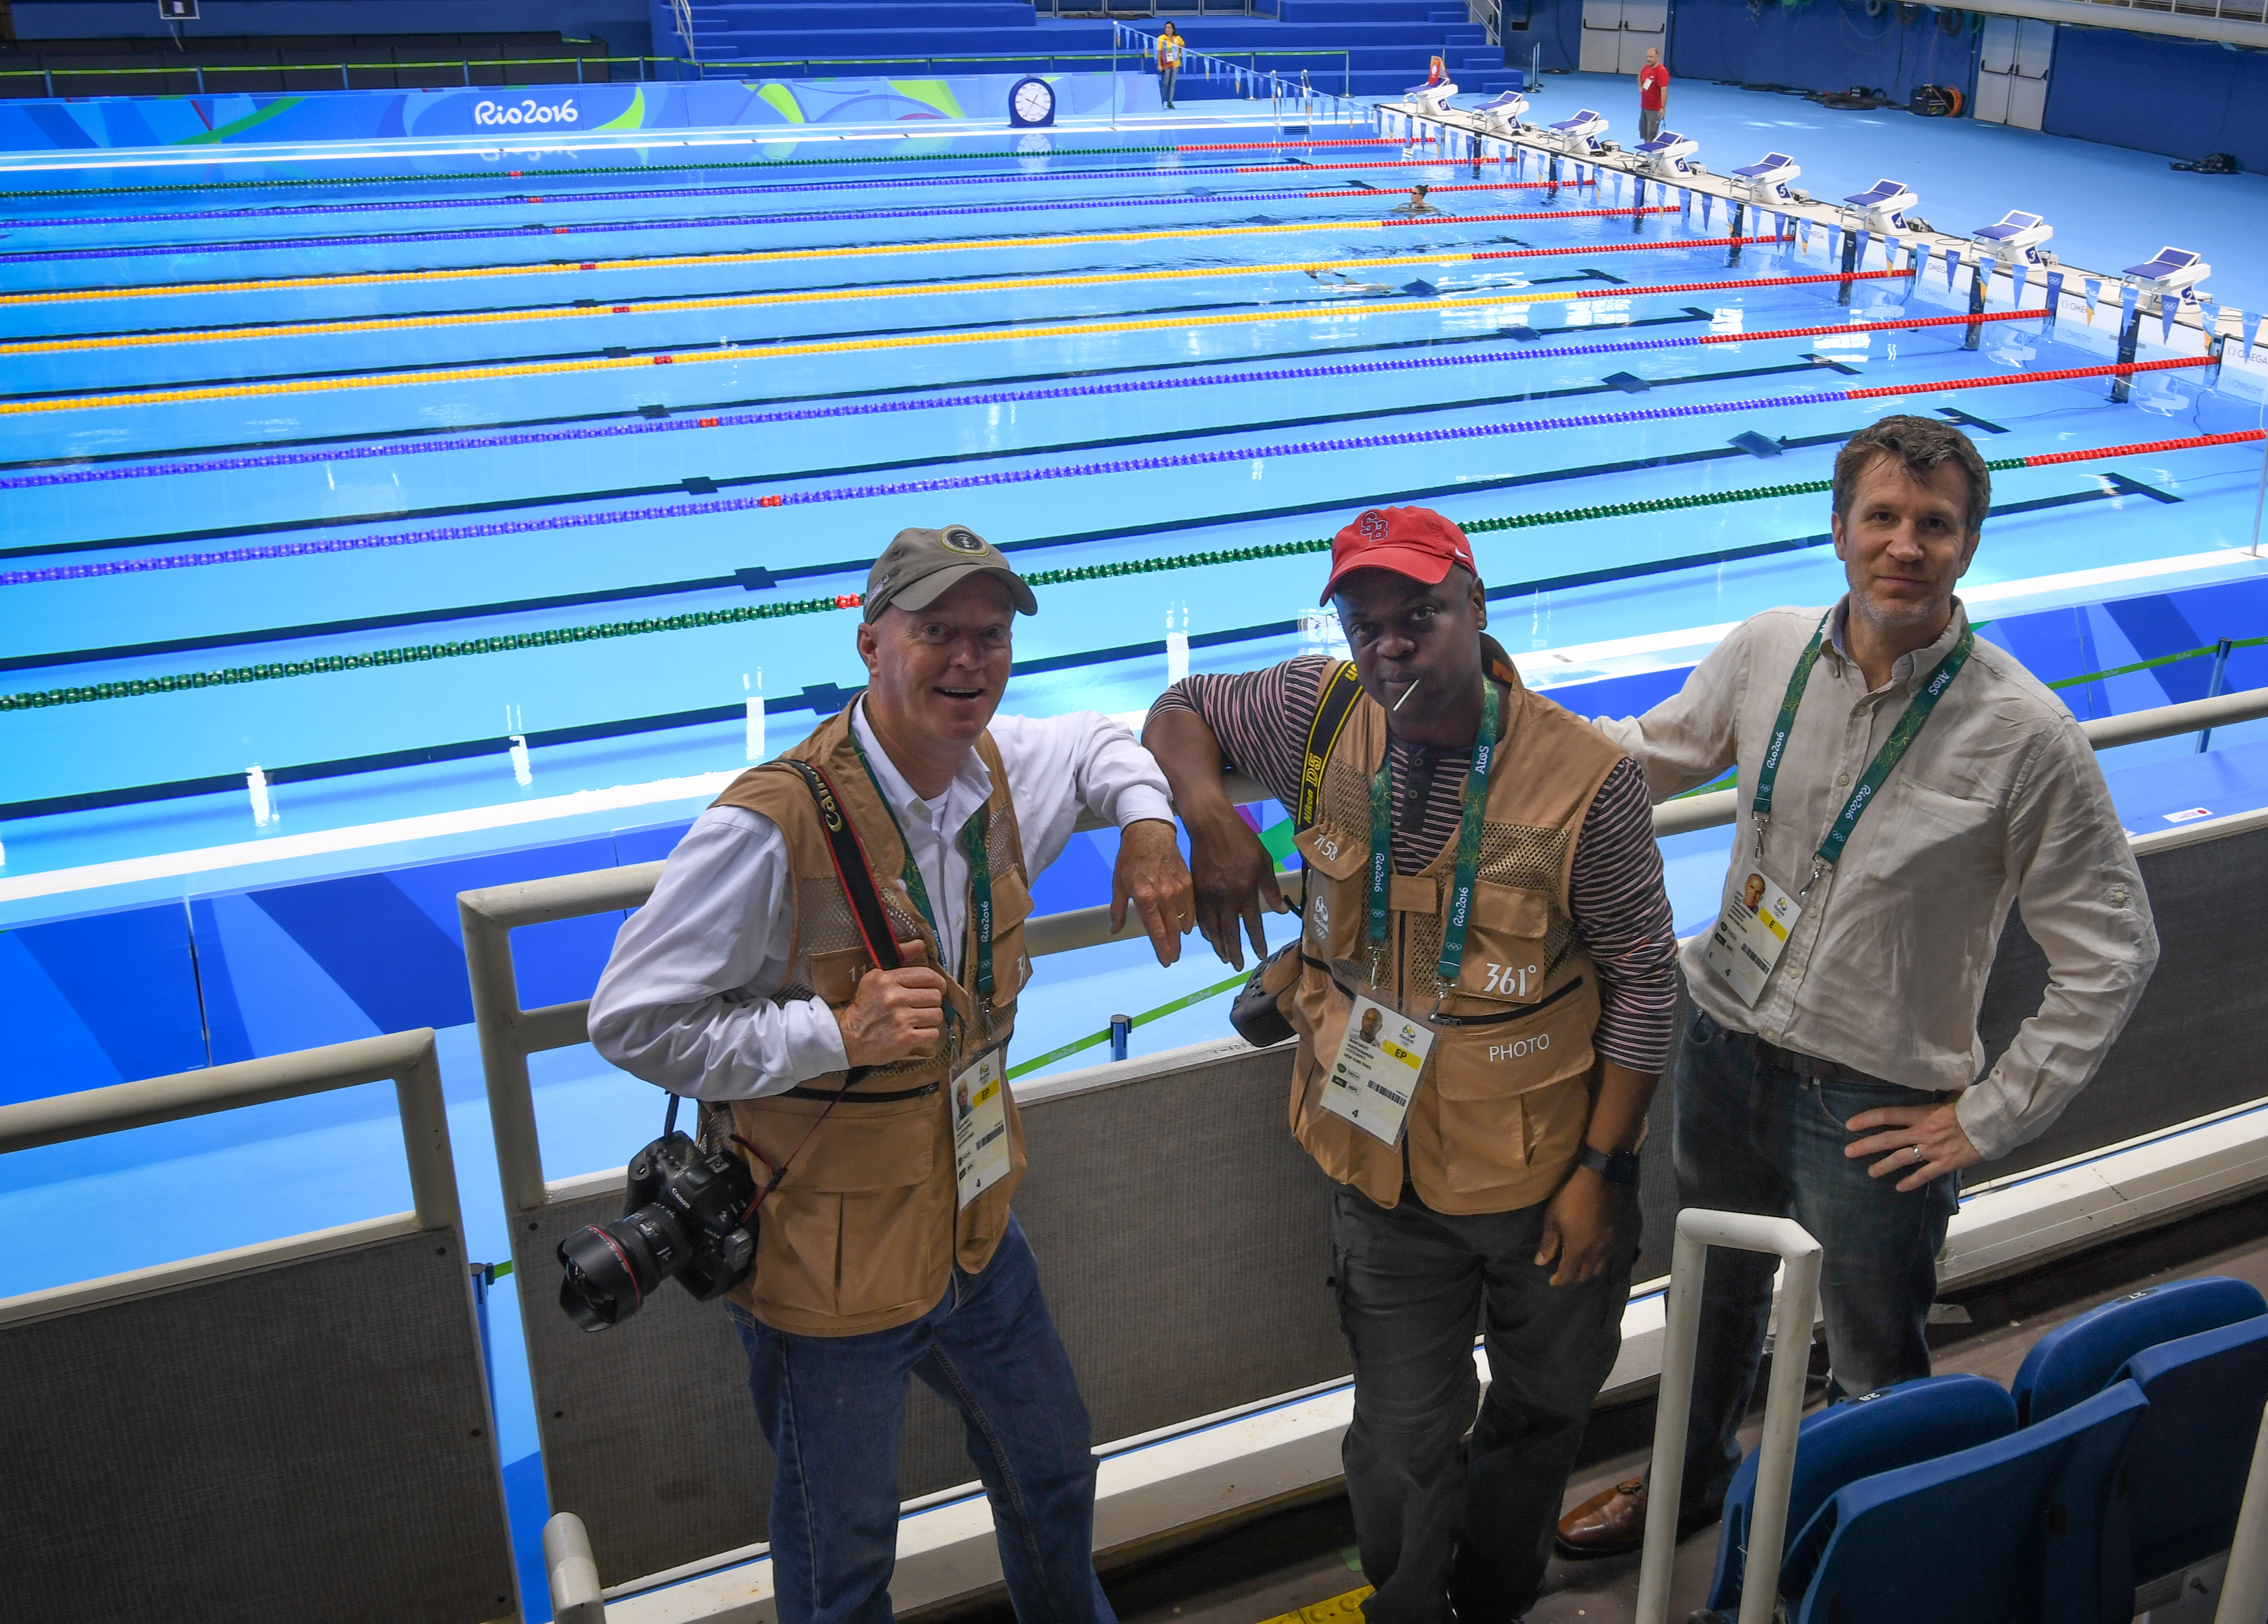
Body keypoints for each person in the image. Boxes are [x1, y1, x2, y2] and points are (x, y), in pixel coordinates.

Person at [1554, 414, 2159, 1559]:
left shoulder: (2024, 735)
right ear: (1839, 530)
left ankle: (1853, 1546)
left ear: (1967, 549)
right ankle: (1685, 1486)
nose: (1904, 545)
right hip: (1724, 1046)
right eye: (1881, 516)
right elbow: (1653, 754)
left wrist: (1987, 1117)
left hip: (1876, 1102)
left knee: (1874, 1347)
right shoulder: (1768, 648)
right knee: (1708, 1302)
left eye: (1933, 525)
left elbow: (2112, 948)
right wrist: (1507, 732)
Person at [588, 523, 1200, 1624]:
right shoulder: (768, 824)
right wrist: (831, 1032)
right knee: (844, 1558)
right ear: (872, 640)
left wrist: (1151, 826)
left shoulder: (1001, 772)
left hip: (971, 1220)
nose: (970, 660)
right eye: (937, 633)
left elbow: (1110, 735)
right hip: (830, 1266)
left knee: (1053, 1463)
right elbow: (632, 1018)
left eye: (991, 634)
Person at [1143, 505, 1682, 1624]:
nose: (1391, 643)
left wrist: (1602, 1170)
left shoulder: (1588, 778)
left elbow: (1646, 981)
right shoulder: (1318, 707)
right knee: (1397, 1434)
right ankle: (1405, 1607)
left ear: (1476, 610)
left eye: (1420, 615)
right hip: (1376, 1161)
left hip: (1545, 1174)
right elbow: (1179, 708)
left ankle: (1493, 1599)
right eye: (1365, 620)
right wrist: (1205, 810)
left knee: (1541, 1411)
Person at [1636, 45, 1670, 143]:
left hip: (1654, 109)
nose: (1648, 59)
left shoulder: (1662, 71)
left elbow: (1664, 90)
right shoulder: (1646, 68)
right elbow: (1640, 76)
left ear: (1657, 58)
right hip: (1644, 107)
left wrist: (1663, 107)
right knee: (1645, 134)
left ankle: (1651, 157)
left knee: (1651, 135)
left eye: (1651, 57)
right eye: (1647, 57)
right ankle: (1647, 155)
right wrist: (1640, 87)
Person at [1155, 18, 1186, 110]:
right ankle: (1161, 102)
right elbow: (1159, 52)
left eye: (1169, 28)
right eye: (1166, 28)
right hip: (1165, 64)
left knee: (1172, 84)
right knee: (1165, 84)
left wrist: (1179, 53)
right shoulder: (1161, 38)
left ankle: (1170, 102)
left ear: (1173, 29)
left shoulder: (1178, 39)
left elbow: (1183, 45)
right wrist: (1159, 65)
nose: (1167, 30)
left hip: (1175, 64)